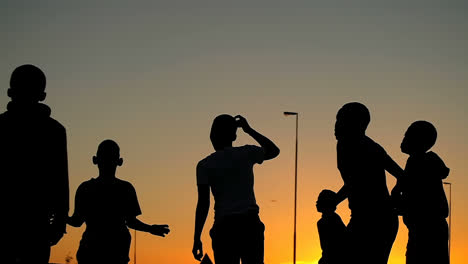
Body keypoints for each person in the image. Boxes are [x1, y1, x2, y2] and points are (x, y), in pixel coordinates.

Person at [1, 64, 69, 264]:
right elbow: (60, 180)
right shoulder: (54, 130)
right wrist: (59, 221)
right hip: (32, 223)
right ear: (43, 95)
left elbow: (60, 179)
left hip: (30, 223)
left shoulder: (54, 130)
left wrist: (59, 222)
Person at [192, 114, 280, 264]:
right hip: (250, 225)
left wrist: (197, 238)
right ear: (233, 136)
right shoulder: (246, 153)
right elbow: (273, 151)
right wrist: (249, 130)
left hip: (224, 228)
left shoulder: (204, 165)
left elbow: (203, 203)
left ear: (212, 136)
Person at [68, 140, 170, 264]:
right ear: (120, 161)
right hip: (116, 249)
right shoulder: (125, 188)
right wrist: (150, 228)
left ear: (95, 160)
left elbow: (77, 221)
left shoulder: (85, 188)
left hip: (92, 248)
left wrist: (59, 216)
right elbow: (131, 222)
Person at [334, 102, 404, 264]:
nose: (336, 125)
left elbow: (355, 181)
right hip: (366, 217)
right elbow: (401, 175)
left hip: (375, 221)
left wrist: (395, 194)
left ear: (357, 124)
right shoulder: (350, 145)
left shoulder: (364, 147)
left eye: (341, 120)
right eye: (336, 120)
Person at [398, 121, 449, 264]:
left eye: (407, 135)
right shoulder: (415, 162)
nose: (403, 138)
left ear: (418, 141)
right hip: (422, 228)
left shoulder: (422, 162)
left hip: (427, 230)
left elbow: (415, 197)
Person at [316, 190, 347, 264]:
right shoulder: (327, 220)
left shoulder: (330, 220)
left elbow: (330, 247)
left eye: (320, 199)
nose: (316, 202)